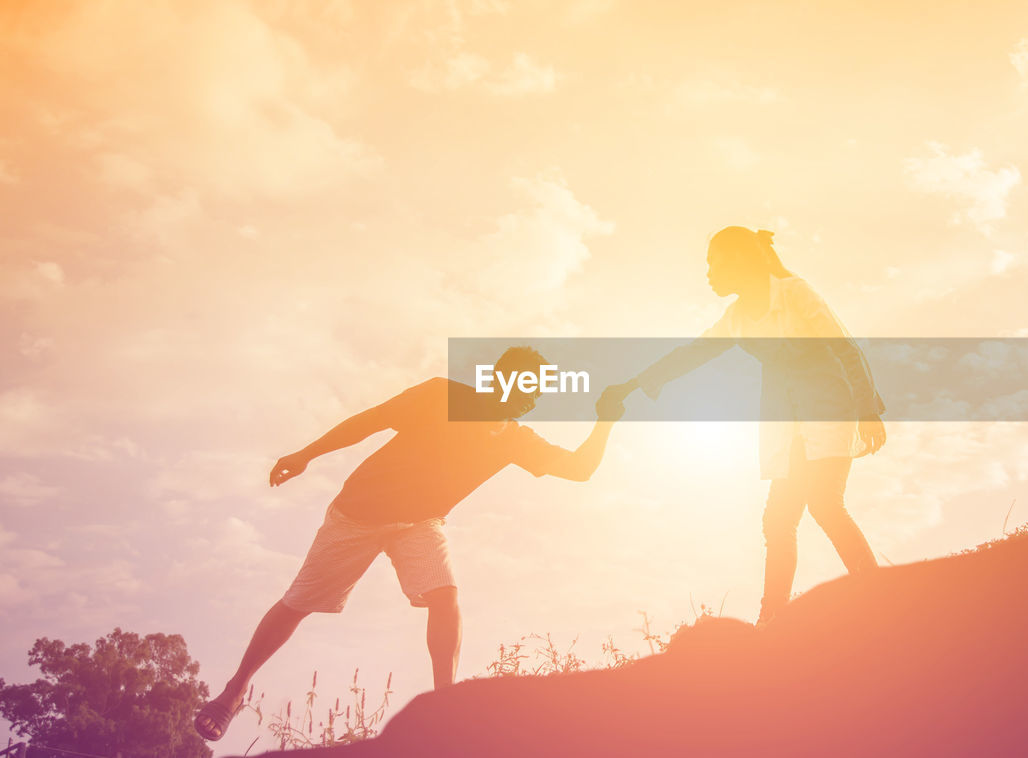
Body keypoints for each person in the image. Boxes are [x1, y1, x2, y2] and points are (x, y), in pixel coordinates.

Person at [194, 347, 623, 741]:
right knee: (298, 603)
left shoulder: (516, 438)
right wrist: (307, 453)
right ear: (497, 378)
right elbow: (370, 420)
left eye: (536, 393)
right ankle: (234, 690)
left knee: (445, 594)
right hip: (357, 513)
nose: (528, 399)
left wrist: (605, 420)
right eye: (522, 385)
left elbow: (579, 468)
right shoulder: (440, 396)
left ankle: (445, 702)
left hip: (420, 522)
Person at [607, 226, 886, 626]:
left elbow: (845, 347)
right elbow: (694, 352)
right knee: (778, 520)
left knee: (825, 503)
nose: (707, 273)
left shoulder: (795, 293)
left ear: (738, 261)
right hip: (786, 419)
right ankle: (771, 618)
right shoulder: (737, 317)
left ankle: (877, 591)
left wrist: (867, 410)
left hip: (830, 405)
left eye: (712, 263)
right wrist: (636, 382)